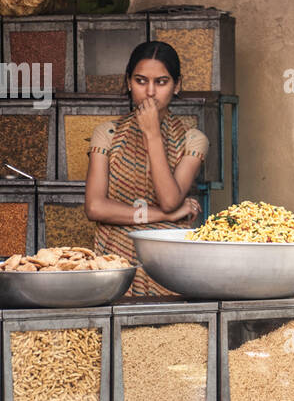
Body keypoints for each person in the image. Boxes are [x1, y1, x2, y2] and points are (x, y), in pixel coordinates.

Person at [84, 41, 207, 296]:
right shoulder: (107, 134)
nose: (150, 92)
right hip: (114, 261)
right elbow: (95, 207)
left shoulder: (193, 140)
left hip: (168, 263)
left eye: (161, 82)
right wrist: (164, 216)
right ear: (128, 82)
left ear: (177, 85)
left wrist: (152, 135)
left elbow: (170, 200)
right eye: (141, 81)